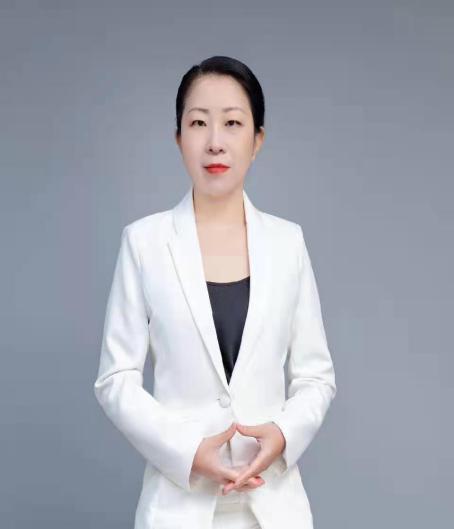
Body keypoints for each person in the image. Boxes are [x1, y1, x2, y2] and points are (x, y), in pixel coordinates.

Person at [94, 56, 337, 529]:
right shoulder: (144, 243)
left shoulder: (288, 243)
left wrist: (283, 435)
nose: (214, 142)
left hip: (274, 506)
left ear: (257, 140)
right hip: (177, 506)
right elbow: (115, 378)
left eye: (232, 123)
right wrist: (187, 450)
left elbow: (316, 376)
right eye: (198, 123)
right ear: (178, 138)